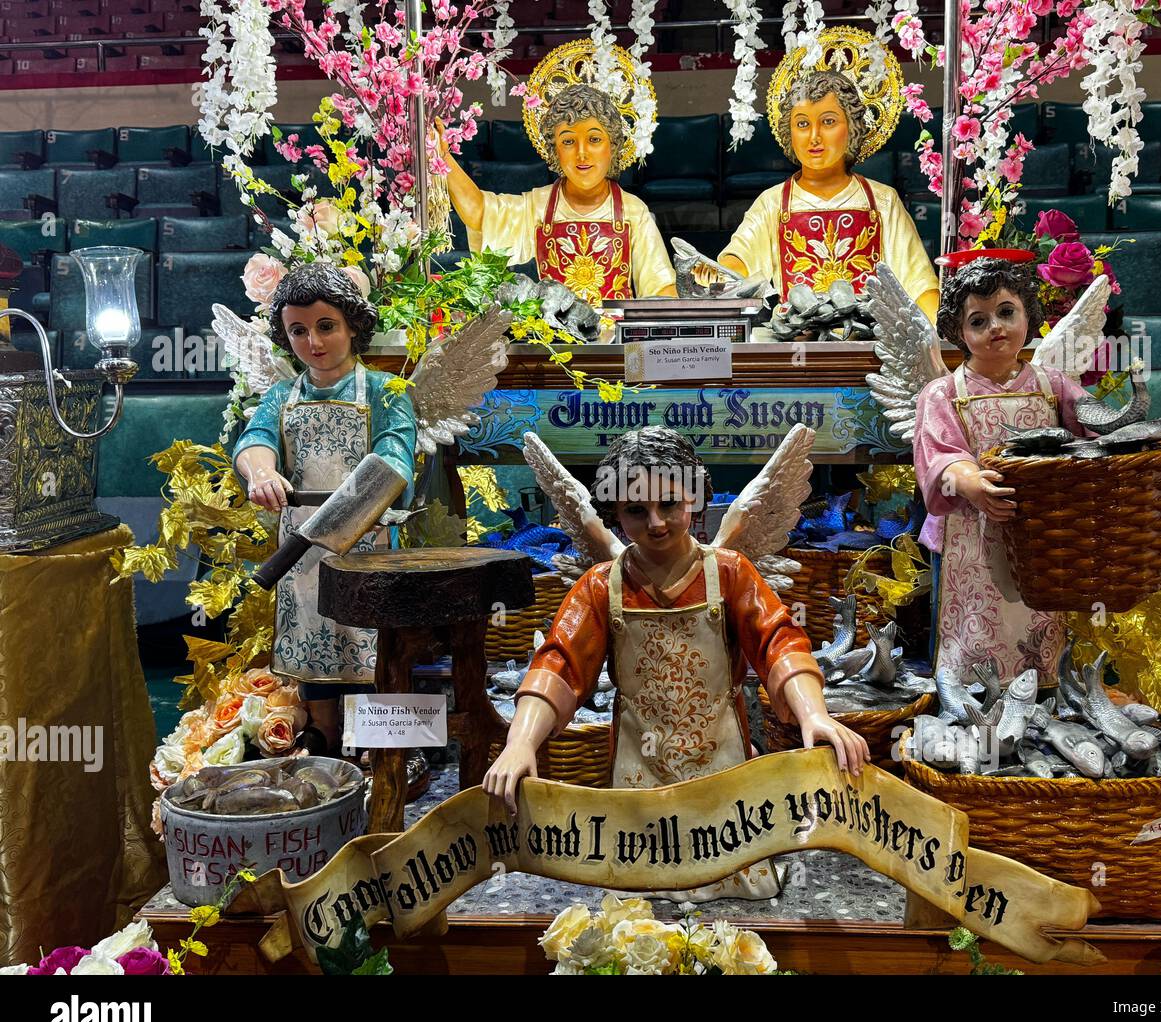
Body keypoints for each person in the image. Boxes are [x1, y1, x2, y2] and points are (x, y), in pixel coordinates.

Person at [482, 426, 868, 900]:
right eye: (635, 511)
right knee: (637, 898)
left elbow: (778, 640)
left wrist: (814, 715)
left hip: (723, 781)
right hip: (636, 783)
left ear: (696, 496)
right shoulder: (603, 586)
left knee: (730, 889)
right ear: (615, 511)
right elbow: (560, 662)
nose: (657, 523)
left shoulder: (728, 572)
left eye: (669, 504)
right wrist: (520, 743)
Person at [232, 263, 416, 753]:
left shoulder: (384, 393)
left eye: (325, 326)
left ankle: (378, 748)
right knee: (311, 640)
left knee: (366, 644)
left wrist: (347, 512)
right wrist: (262, 472)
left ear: (353, 324)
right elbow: (254, 441)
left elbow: (393, 462)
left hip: (366, 544)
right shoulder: (281, 396)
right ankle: (323, 740)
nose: (312, 342)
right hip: (299, 555)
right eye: (298, 330)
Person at [912, 255, 1092, 686]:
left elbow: (1091, 434)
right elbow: (937, 456)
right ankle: (969, 700)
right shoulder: (942, 394)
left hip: (1042, 535)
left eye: (1007, 313)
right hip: (969, 532)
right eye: (979, 320)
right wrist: (971, 482)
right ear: (959, 333)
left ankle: (1045, 697)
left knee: (1041, 618)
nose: (995, 327)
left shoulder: (1053, 385)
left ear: (1029, 314)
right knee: (974, 623)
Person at [713, 29, 939, 318]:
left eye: (828, 121)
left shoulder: (881, 202)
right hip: (797, 343)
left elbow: (918, 282)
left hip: (869, 344)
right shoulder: (773, 203)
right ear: (789, 132)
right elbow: (739, 261)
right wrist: (723, 271)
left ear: (852, 128)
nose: (814, 137)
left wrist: (940, 330)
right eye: (803, 124)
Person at [441, 41, 675, 303]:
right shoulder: (538, 207)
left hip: (615, 340)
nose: (582, 153)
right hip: (555, 338)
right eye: (568, 141)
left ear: (614, 147)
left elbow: (661, 290)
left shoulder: (634, 212)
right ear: (554, 150)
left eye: (595, 140)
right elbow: (479, 213)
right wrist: (442, 155)